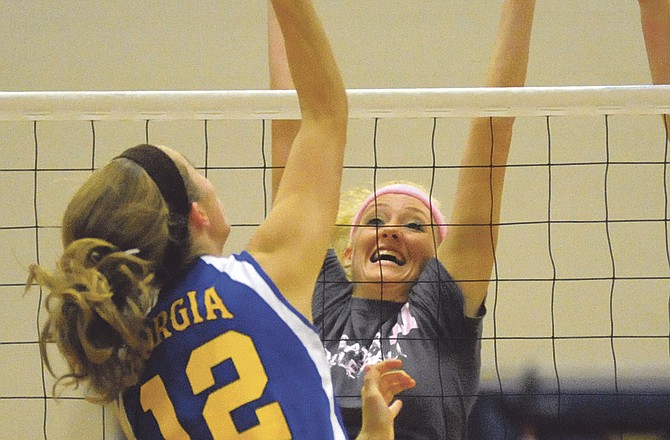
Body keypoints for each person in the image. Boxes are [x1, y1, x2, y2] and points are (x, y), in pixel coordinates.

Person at [26, 1, 416, 439]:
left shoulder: (124, 374)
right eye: (198, 172)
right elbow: (325, 112)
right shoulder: (262, 280)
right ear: (198, 215)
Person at [271, 1, 536, 438]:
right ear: (347, 252)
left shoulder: (439, 314)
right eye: (375, 221)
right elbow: (290, 138)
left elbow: (494, 130)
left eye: (415, 226)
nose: (392, 229)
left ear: (438, 262)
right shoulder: (323, 301)